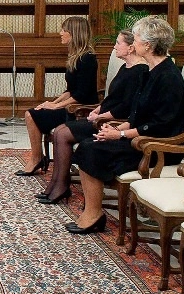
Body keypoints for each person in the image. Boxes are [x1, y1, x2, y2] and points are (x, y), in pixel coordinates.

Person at [69, 16, 184, 234]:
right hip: (140, 138)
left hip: (158, 147)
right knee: (90, 143)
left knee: (90, 149)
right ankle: (93, 211)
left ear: (148, 45)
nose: (133, 44)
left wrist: (121, 136)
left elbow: (160, 125)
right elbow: (137, 116)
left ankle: (94, 214)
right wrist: (118, 129)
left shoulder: (169, 78)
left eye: (136, 39)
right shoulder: (151, 72)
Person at [36, 29, 147, 204]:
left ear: (131, 48)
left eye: (118, 43)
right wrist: (98, 109)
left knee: (62, 133)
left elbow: (125, 106)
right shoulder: (126, 67)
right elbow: (112, 97)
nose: (114, 46)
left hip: (112, 121)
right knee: (59, 131)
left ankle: (61, 186)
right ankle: (57, 183)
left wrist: (100, 116)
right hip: (103, 115)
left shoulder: (140, 71)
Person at [15, 17, 97, 176]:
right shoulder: (75, 56)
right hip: (71, 105)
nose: (60, 33)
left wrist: (56, 106)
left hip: (80, 110)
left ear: (73, 33)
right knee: (34, 111)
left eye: (63, 30)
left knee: (31, 115)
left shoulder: (88, 59)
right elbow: (70, 90)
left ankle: (37, 159)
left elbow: (81, 94)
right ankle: (37, 157)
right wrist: (51, 102)